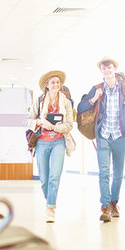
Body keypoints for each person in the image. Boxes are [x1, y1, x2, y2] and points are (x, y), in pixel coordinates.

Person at [77, 57, 125, 222]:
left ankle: (114, 203)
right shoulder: (97, 89)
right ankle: (105, 206)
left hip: (120, 136)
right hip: (103, 136)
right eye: (103, 68)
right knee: (104, 172)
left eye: (109, 67)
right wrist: (93, 99)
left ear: (114, 69)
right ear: (101, 72)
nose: (107, 70)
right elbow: (81, 108)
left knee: (118, 174)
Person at [27, 70, 73, 223]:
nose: (56, 85)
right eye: (52, 82)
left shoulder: (66, 102)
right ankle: (49, 199)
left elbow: (69, 125)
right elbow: (29, 120)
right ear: (47, 85)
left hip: (58, 142)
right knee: (45, 179)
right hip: (41, 142)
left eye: (58, 82)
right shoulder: (39, 101)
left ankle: (50, 208)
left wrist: (56, 127)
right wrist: (40, 122)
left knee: (55, 176)